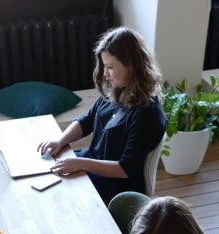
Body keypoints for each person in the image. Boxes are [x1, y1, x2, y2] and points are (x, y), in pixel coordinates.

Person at [37, 26, 166, 205]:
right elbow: (87, 120)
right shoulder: (116, 91)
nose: (105, 74)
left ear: (132, 65)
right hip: (93, 164)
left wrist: (81, 164)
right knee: (46, 171)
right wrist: (60, 141)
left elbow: (125, 169)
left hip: (117, 185)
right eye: (105, 67)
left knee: (59, 192)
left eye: (110, 67)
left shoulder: (147, 114)